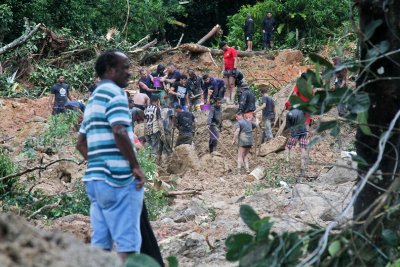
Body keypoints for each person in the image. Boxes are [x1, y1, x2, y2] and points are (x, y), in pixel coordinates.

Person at [76, 50, 145, 262]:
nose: (129, 72)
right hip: (119, 181)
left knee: (100, 247)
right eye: (124, 67)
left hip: (96, 182)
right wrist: (134, 166)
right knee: (128, 245)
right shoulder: (115, 94)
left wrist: (98, 164)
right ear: (109, 70)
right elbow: (119, 130)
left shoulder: (93, 99)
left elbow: (80, 143)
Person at [285, 102, 308, 180]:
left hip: (295, 133)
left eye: (287, 108)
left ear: (288, 107)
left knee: (289, 147)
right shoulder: (301, 110)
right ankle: (302, 169)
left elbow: (288, 127)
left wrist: (290, 134)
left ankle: (290, 165)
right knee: (303, 149)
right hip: (304, 131)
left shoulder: (289, 114)